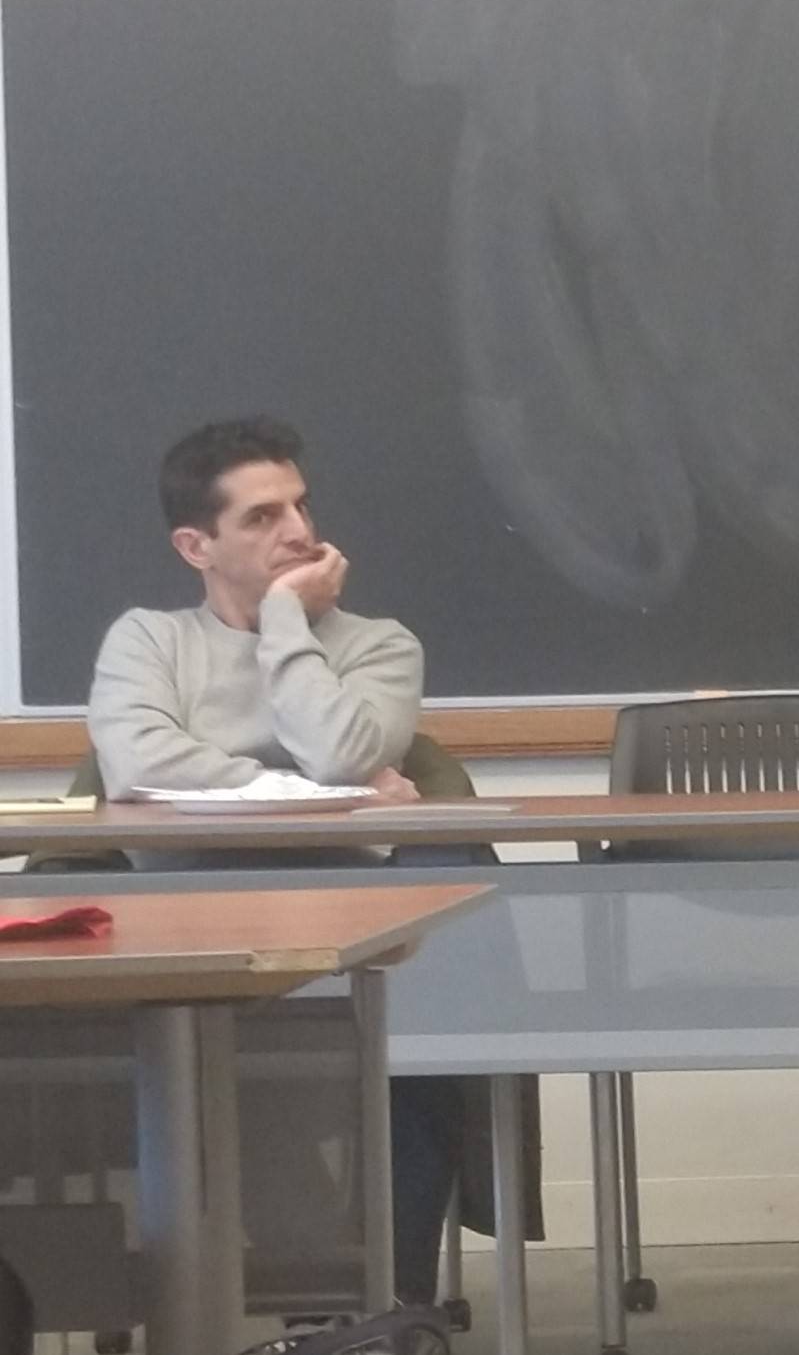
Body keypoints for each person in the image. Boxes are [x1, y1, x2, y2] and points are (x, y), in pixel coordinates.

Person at [84, 416, 462, 1307]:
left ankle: (381, 1309)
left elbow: (336, 747)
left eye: (299, 505)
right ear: (195, 545)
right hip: (179, 928)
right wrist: (314, 791)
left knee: (417, 1061)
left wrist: (287, 619)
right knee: (250, 1078)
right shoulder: (148, 640)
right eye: (260, 517)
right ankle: (297, 1298)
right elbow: (139, 761)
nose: (298, 530)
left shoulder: (377, 644)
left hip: (347, 917)